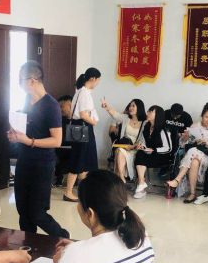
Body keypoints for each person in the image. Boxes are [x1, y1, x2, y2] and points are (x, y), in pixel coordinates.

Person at [7, 62, 69, 238]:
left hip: (42, 164)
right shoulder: (27, 101)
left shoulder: (51, 105)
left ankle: (64, 237)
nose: (19, 84)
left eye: (21, 80)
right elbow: (26, 129)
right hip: (24, 161)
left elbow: (56, 140)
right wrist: (15, 135)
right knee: (23, 211)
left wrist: (29, 141)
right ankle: (29, 247)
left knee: (37, 213)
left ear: (32, 80)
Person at [166, 103, 208, 202]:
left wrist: (207, 143)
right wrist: (185, 138)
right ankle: (192, 193)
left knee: (193, 151)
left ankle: (177, 180)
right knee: (194, 161)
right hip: (196, 155)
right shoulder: (195, 126)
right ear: (202, 116)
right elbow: (182, 145)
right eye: (206, 117)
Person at [64, 68, 101, 202]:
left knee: (84, 161)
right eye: (98, 80)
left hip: (78, 127)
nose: (98, 83)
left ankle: (83, 191)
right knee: (79, 159)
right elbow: (83, 114)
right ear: (93, 79)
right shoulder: (84, 93)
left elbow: (73, 114)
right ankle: (68, 192)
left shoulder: (79, 91)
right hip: (83, 127)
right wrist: (94, 122)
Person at [101, 98, 146, 182]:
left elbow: (144, 139)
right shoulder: (126, 118)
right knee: (120, 150)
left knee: (119, 151)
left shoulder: (144, 122)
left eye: (133, 106)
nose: (130, 108)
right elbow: (115, 115)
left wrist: (136, 146)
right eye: (130, 106)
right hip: (124, 145)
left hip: (135, 148)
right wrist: (107, 107)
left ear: (139, 108)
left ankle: (119, 178)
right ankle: (121, 177)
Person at [133, 106, 173, 199]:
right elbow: (143, 141)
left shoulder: (164, 129)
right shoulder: (146, 126)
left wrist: (154, 150)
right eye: (148, 111)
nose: (148, 113)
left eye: (151, 112)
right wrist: (142, 146)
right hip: (148, 153)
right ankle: (141, 183)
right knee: (140, 153)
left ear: (158, 115)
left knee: (141, 157)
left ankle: (141, 186)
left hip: (161, 156)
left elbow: (168, 148)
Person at [55, 95, 73, 186]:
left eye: (62, 106)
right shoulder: (58, 120)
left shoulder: (78, 121)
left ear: (70, 105)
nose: (60, 109)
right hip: (58, 148)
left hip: (72, 150)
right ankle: (58, 179)